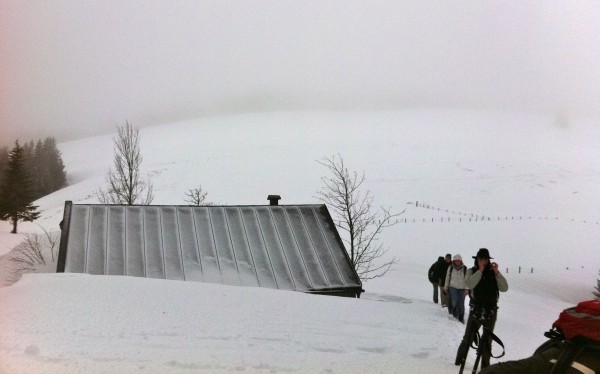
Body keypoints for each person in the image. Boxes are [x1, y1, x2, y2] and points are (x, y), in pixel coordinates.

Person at [455, 248, 508, 369]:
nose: (483, 261)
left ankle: (485, 368)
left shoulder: (493, 273)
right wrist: (480, 271)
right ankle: (457, 364)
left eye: (485, 259)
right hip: (476, 310)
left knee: (487, 341)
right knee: (467, 338)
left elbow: (504, 288)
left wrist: (497, 273)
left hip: (491, 312)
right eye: (481, 259)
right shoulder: (471, 270)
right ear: (477, 259)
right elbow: (469, 284)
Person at [444, 254, 467, 323]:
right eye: (456, 261)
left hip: (462, 288)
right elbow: (447, 277)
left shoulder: (464, 268)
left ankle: (461, 317)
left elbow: (467, 279)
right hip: (452, 287)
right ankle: (455, 313)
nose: (458, 262)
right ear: (454, 261)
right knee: (454, 302)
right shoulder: (450, 267)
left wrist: (467, 289)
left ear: (461, 261)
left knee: (461, 303)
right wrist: (445, 287)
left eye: (459, 261)